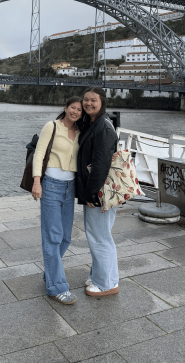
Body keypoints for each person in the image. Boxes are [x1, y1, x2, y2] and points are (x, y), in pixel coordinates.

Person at [32, 97, 83, 305]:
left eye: (79, 109)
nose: (76, 112)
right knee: (52, 237)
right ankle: (57, 287)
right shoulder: (51, 126)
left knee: (65, 237)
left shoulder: (80, 132)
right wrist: (37, 181)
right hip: (51, 185)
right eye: (73, 107)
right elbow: (39, 154)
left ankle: (51, 272)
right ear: (65, 108)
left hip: (70, 189)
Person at [76, 87, 119, 297]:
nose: (88, 103)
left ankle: (106, 284)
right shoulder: (95, 124)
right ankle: (98, 275)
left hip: (99, 194)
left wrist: (93, 194)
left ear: (102, 102)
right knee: (99, 236)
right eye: (85, 100)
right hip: (97, 192)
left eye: (93, 100)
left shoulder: (103, 127)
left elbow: (101, 165)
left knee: (100, 237)